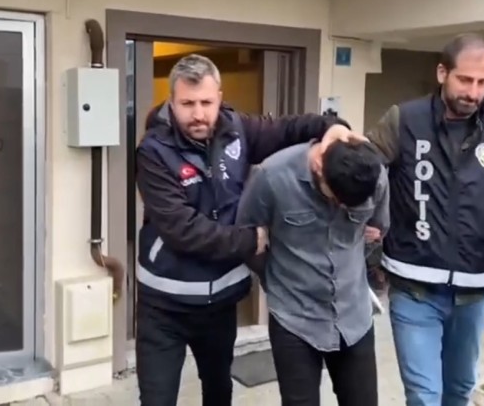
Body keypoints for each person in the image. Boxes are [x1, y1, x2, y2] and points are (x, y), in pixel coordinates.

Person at [135, 53, 361, 406]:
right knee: (157, 399)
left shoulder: (236, 129)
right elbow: (182, 229)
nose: (198, 114)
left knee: (219, 391)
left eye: (206, 102)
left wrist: (332, 127)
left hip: (220, 304)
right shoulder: (153, 151)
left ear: (219, 98)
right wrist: (250, 240)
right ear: (172, 101)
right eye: (187, 104)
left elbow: (287, 129)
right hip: (164, 306)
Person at [364, 33, 484, 406]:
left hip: (474, 287)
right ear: (442, 73)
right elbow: (364, 168)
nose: (474, 91)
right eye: (465, 80)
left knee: (458, 390)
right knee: (424, 396)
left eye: (483, 82)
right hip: (414, 285)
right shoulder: (404, 119)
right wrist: (365, 220)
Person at [236, 139, 389, 406]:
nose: (342, 208)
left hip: (354, 316)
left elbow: (378, 229)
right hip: (294, 318)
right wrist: (275, 279)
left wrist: (352, 265)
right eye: (336, 199)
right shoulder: (272, 176)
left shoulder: (373, 175)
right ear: (318, 166)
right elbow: (246, 238)